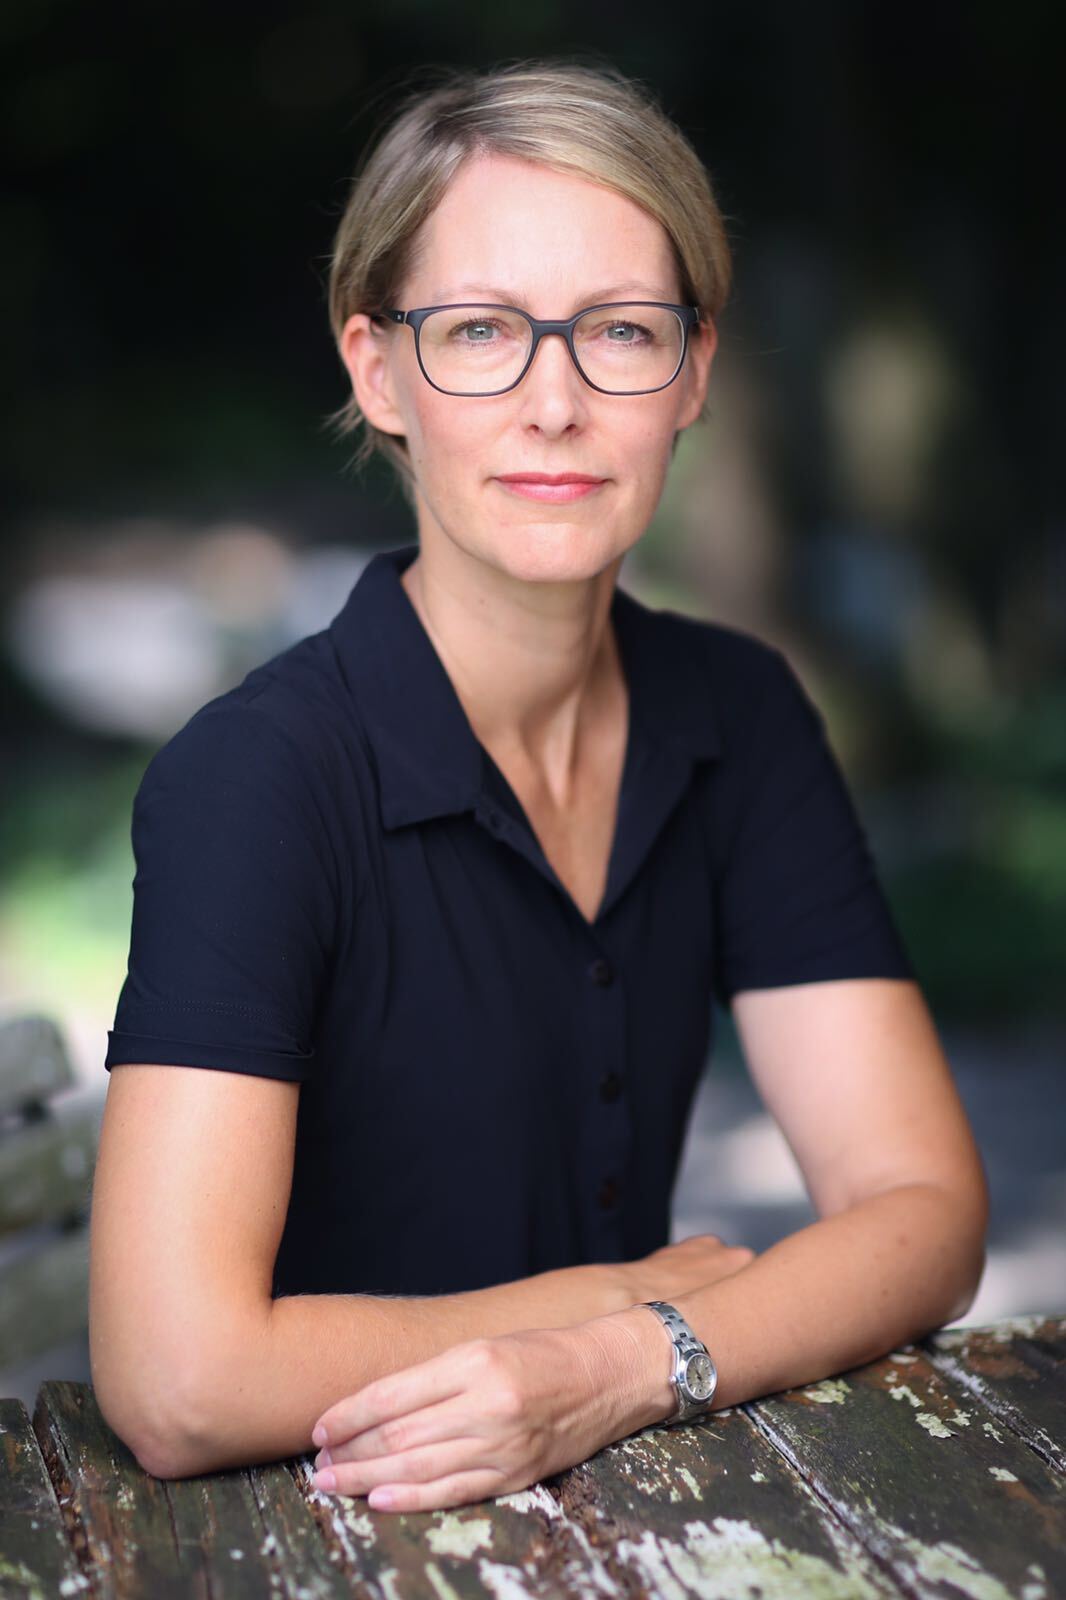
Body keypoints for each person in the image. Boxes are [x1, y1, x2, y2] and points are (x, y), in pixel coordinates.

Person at [89, 59, 989, 1513]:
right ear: (376, 369)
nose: (554, 403)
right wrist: (612, 1301)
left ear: (693, 373)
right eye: (481, 333)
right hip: (308, 1536)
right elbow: (179, 1382)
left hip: (622, 1502)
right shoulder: (257, 778)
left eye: (621, 332)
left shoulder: (739, 713)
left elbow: (924, 1212)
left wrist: (630, 1359)